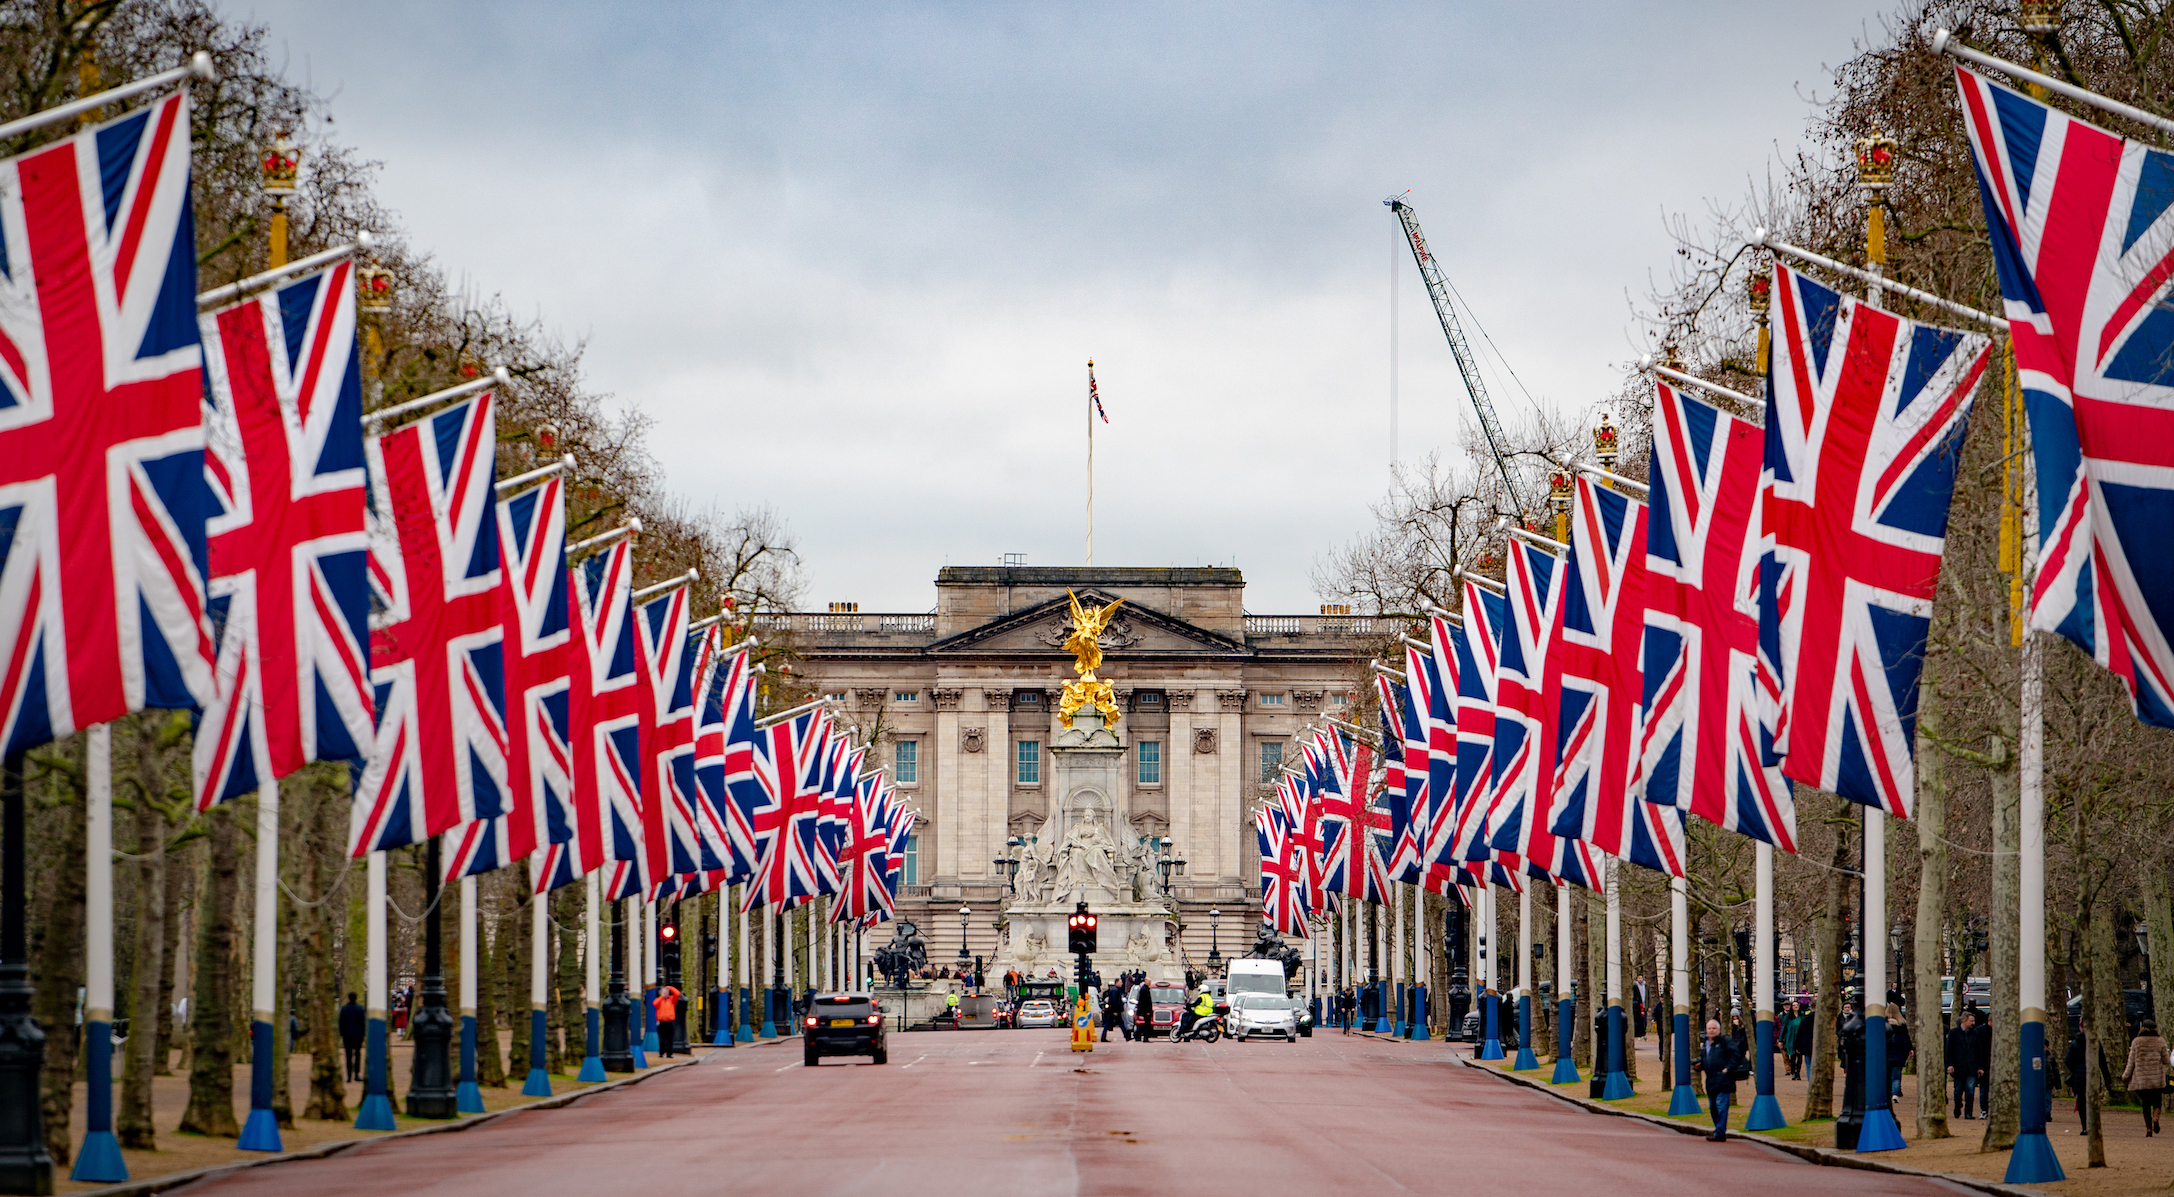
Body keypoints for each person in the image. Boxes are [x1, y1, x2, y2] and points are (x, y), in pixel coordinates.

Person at [1695, 1018, 1745, 1142]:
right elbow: (1705, 1059)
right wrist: (1699, 1065)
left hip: (1723, 1080)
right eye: (1709, 1029)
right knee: (1713, 1107)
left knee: (1721, 1106)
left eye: (1714, 1029)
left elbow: (1736, 1055)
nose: (1711, 1031)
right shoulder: (1705, 1044)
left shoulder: (1725, 1041)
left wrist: (1727, 1069)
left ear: (1719, 1030)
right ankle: (1718, 1129)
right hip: (1711, 1080)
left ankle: (1720, 1132)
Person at [2124, 1019, 2168, 1137]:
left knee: (2145, 1104)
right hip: (2156, 1079)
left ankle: (2148, 1128)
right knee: (2157, 1102)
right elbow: (2166, 1060)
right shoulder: (2160, 1041)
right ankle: (2156, 1118)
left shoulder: (2136, 1042)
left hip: (2141, 1079)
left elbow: (2131, 1061)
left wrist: (2126, 1075)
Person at [1948, 1010, 1982, 1119]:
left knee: (1970, 1091)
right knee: (1958, 1090)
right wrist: (1949, 1065)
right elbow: (1949, 1050)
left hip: (1972, 1067)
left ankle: (1968, 1113)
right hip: (1959, 1067)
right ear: (1964, 1020)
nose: (1973, 1023)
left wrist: (1980, 1067)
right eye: (1971, 1020)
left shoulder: (1975, 1034)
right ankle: (1957, 1107)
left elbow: (1979, 1051)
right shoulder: (1953, 1033)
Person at [339, 992, 366, 1083]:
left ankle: (349, 1075)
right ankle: (356, 1074)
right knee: (357, 1055)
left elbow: (341, 1023)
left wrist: (342, 1034)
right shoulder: (359, 1009)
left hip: (347, 1035)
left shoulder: (344, 1009)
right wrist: (363, 1034)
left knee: (348, 1056)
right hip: (358, 1035)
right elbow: (363, 1022)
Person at [1887, 1012, 1912, 1098]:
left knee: (1888, 1077)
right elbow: (1905, 1047)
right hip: (1898, 1059)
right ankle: (1895, 1093)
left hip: (1887, 1059)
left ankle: (1889, 1092)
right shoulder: (1901, 1036)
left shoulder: (1884, 1036)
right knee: (1896, 1077)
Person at [653, 983, 682, 1057]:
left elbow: (677, 993)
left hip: (670, 1021)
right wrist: (662, 996)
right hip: (662, 1021)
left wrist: (670, 988)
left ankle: (669, 1053)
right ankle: (661, 1052)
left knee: (670, 1038)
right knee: (661, 1038)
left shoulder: (672, 1000)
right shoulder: (659, 1000)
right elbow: (655, 1003)